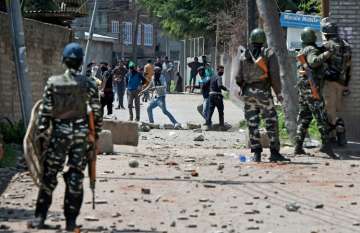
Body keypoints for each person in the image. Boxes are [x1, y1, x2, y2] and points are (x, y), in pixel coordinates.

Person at [29, 42, 102, 231]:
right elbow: (96, 112)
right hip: (81, 136)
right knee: (76, 176)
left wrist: (42, 138)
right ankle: (71, 222)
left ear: (64, 61)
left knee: (49, 175)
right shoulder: (89, 84)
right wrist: (96, 136)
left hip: (58, 135)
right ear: (80, 63)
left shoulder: (53, 82)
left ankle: (39, 218)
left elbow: (45, 113)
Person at [236, 28, 290, 163]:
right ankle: (274, 153)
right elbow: (274, 76)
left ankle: (256, 154)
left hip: (248, 94)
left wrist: (243, 86)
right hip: (263, 93)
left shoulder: (243, 55)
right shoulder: (269, 53)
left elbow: (238, 77)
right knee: (271, 122)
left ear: (251, 39)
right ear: (263, 40)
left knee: (252, 123)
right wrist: (278, 92)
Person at [294, 27, 338, 159]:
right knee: (321, 117)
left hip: (303, 88)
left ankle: (298, 146)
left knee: (304, 117)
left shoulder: (302, 50)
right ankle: (327, 147)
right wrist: (328, 53)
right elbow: (313, 62)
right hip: (311, 88)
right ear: (312, 37)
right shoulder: (311, 50)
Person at [321, 20, 352, 146]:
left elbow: (321, 63)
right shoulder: (346, 45)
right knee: (337, 111)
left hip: (330, 83)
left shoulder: (328, 45)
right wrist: (346, 84)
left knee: (330, 112)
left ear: (327, 33)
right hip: (342, 82)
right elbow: (349, 67)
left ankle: (336, 138)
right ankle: (339, 138)